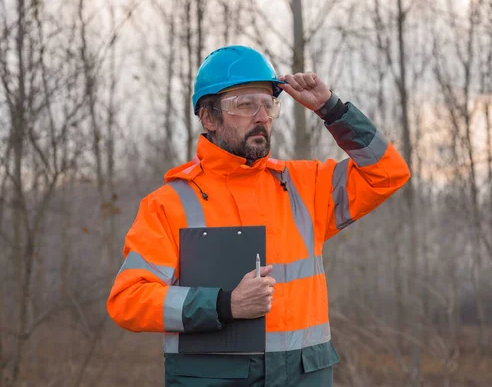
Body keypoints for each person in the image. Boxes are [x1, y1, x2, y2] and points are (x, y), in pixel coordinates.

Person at [107, 45, 410, 386]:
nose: (262, 116)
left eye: (268, 104)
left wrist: (332, 110)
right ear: (208, 117)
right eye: (245, 104)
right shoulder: (169, 204)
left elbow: (387, 172)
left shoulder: (304, 187)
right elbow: (128, 300)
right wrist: (223, 304)